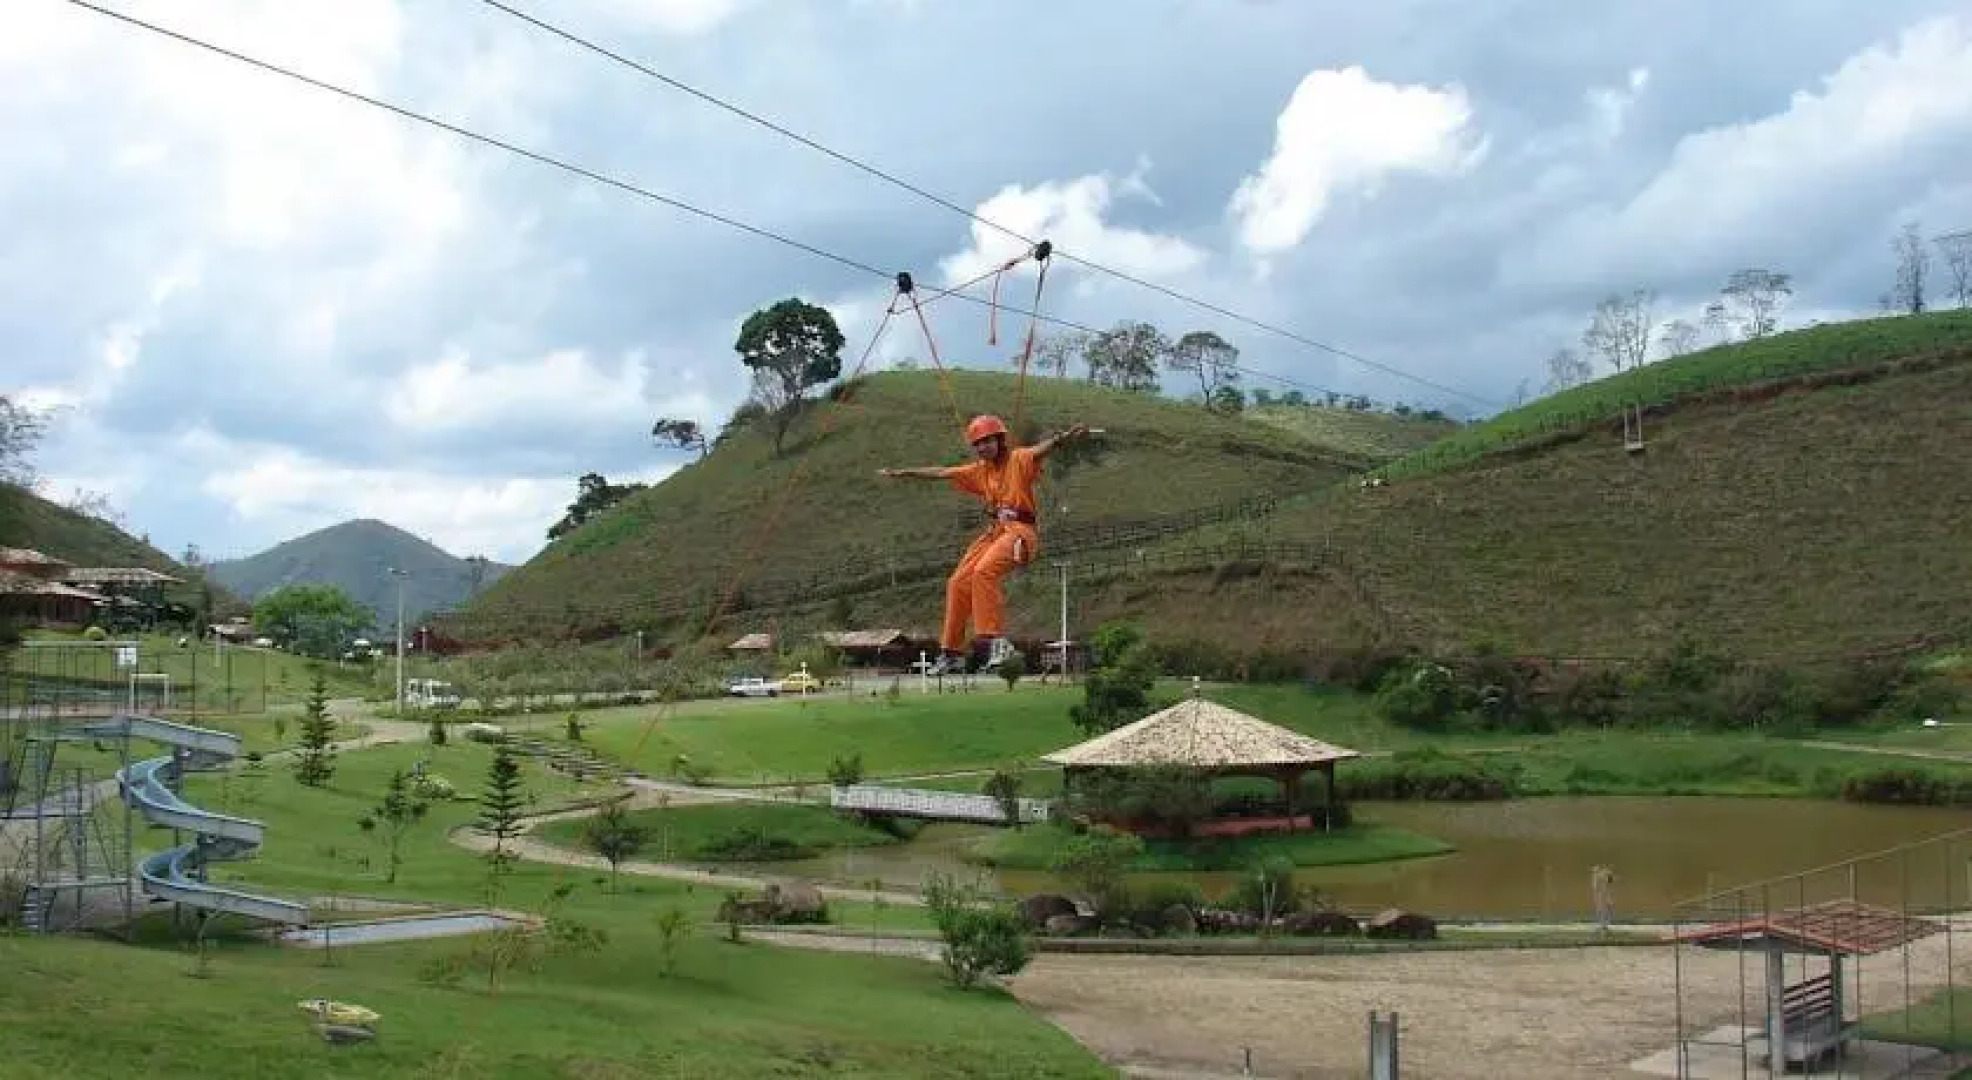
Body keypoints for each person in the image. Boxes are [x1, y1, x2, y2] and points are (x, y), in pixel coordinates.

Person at [879, 413, 1090, 675]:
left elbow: (1039, 451)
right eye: (977, 444)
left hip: (1020, 533)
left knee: (983, 572)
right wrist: (904, 472)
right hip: (995, 533)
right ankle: (952, 652)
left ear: (1000, 440)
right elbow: (942, 472)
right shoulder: (980, 471)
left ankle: (991, 641)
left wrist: (1063, 438)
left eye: (987, 441)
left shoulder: (1018, 459)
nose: (982, 448)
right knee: (958, 583)